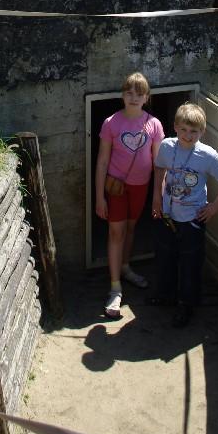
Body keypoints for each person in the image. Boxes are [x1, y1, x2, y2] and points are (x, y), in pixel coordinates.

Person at [150, 102, 218, 327]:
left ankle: (186, 305)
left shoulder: (206, 155)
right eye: (184, 130)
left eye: (194, 131)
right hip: (168, 215)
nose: (188, 135)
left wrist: (215, 207)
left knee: (190, 264)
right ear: (175, 127)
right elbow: (159, 168)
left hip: (192, 220)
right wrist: (157, 198)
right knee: (166, 258)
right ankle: (166, 295)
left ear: (202, 132)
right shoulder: (167, 147)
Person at [95, 73, 164, 318]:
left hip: (141, 187)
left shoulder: (154, 125)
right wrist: (99, 197)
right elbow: (102, 161)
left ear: (147, 97)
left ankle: (125, 268)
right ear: (122, 95)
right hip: (117, 188)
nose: (134, 97)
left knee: (132, 228)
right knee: (116, 232)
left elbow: (159, 163)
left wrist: (158, 196)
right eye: (129, 92)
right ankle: (115, 288)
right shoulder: (111, 123)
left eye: (139, 93)